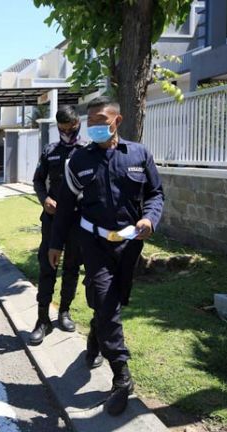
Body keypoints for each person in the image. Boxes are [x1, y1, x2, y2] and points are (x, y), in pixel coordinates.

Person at [48, 96, 164, 416]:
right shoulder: (78, 161)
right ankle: (122, 377)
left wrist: (149, 219)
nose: (96, 126)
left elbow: (155, 194)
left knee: (114, 300)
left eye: (102, 119)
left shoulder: (140, 154)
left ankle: (95, 341)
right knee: (105, 298)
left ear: (118, 120)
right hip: (94, 244)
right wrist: (55, 244)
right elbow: (66, 209)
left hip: (129, 246)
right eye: (92, 121)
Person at [29, 105, 84, 346]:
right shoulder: (50, 151)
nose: (67, 134)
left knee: (72, 266)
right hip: (52, 219)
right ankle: (42, 319)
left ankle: (64, 311)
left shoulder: (86, 151)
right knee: (47, 266)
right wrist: (45, 199)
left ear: (78, 125)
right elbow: (38, 181)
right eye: (62, 130)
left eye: (71, 129)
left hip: (77, 221)